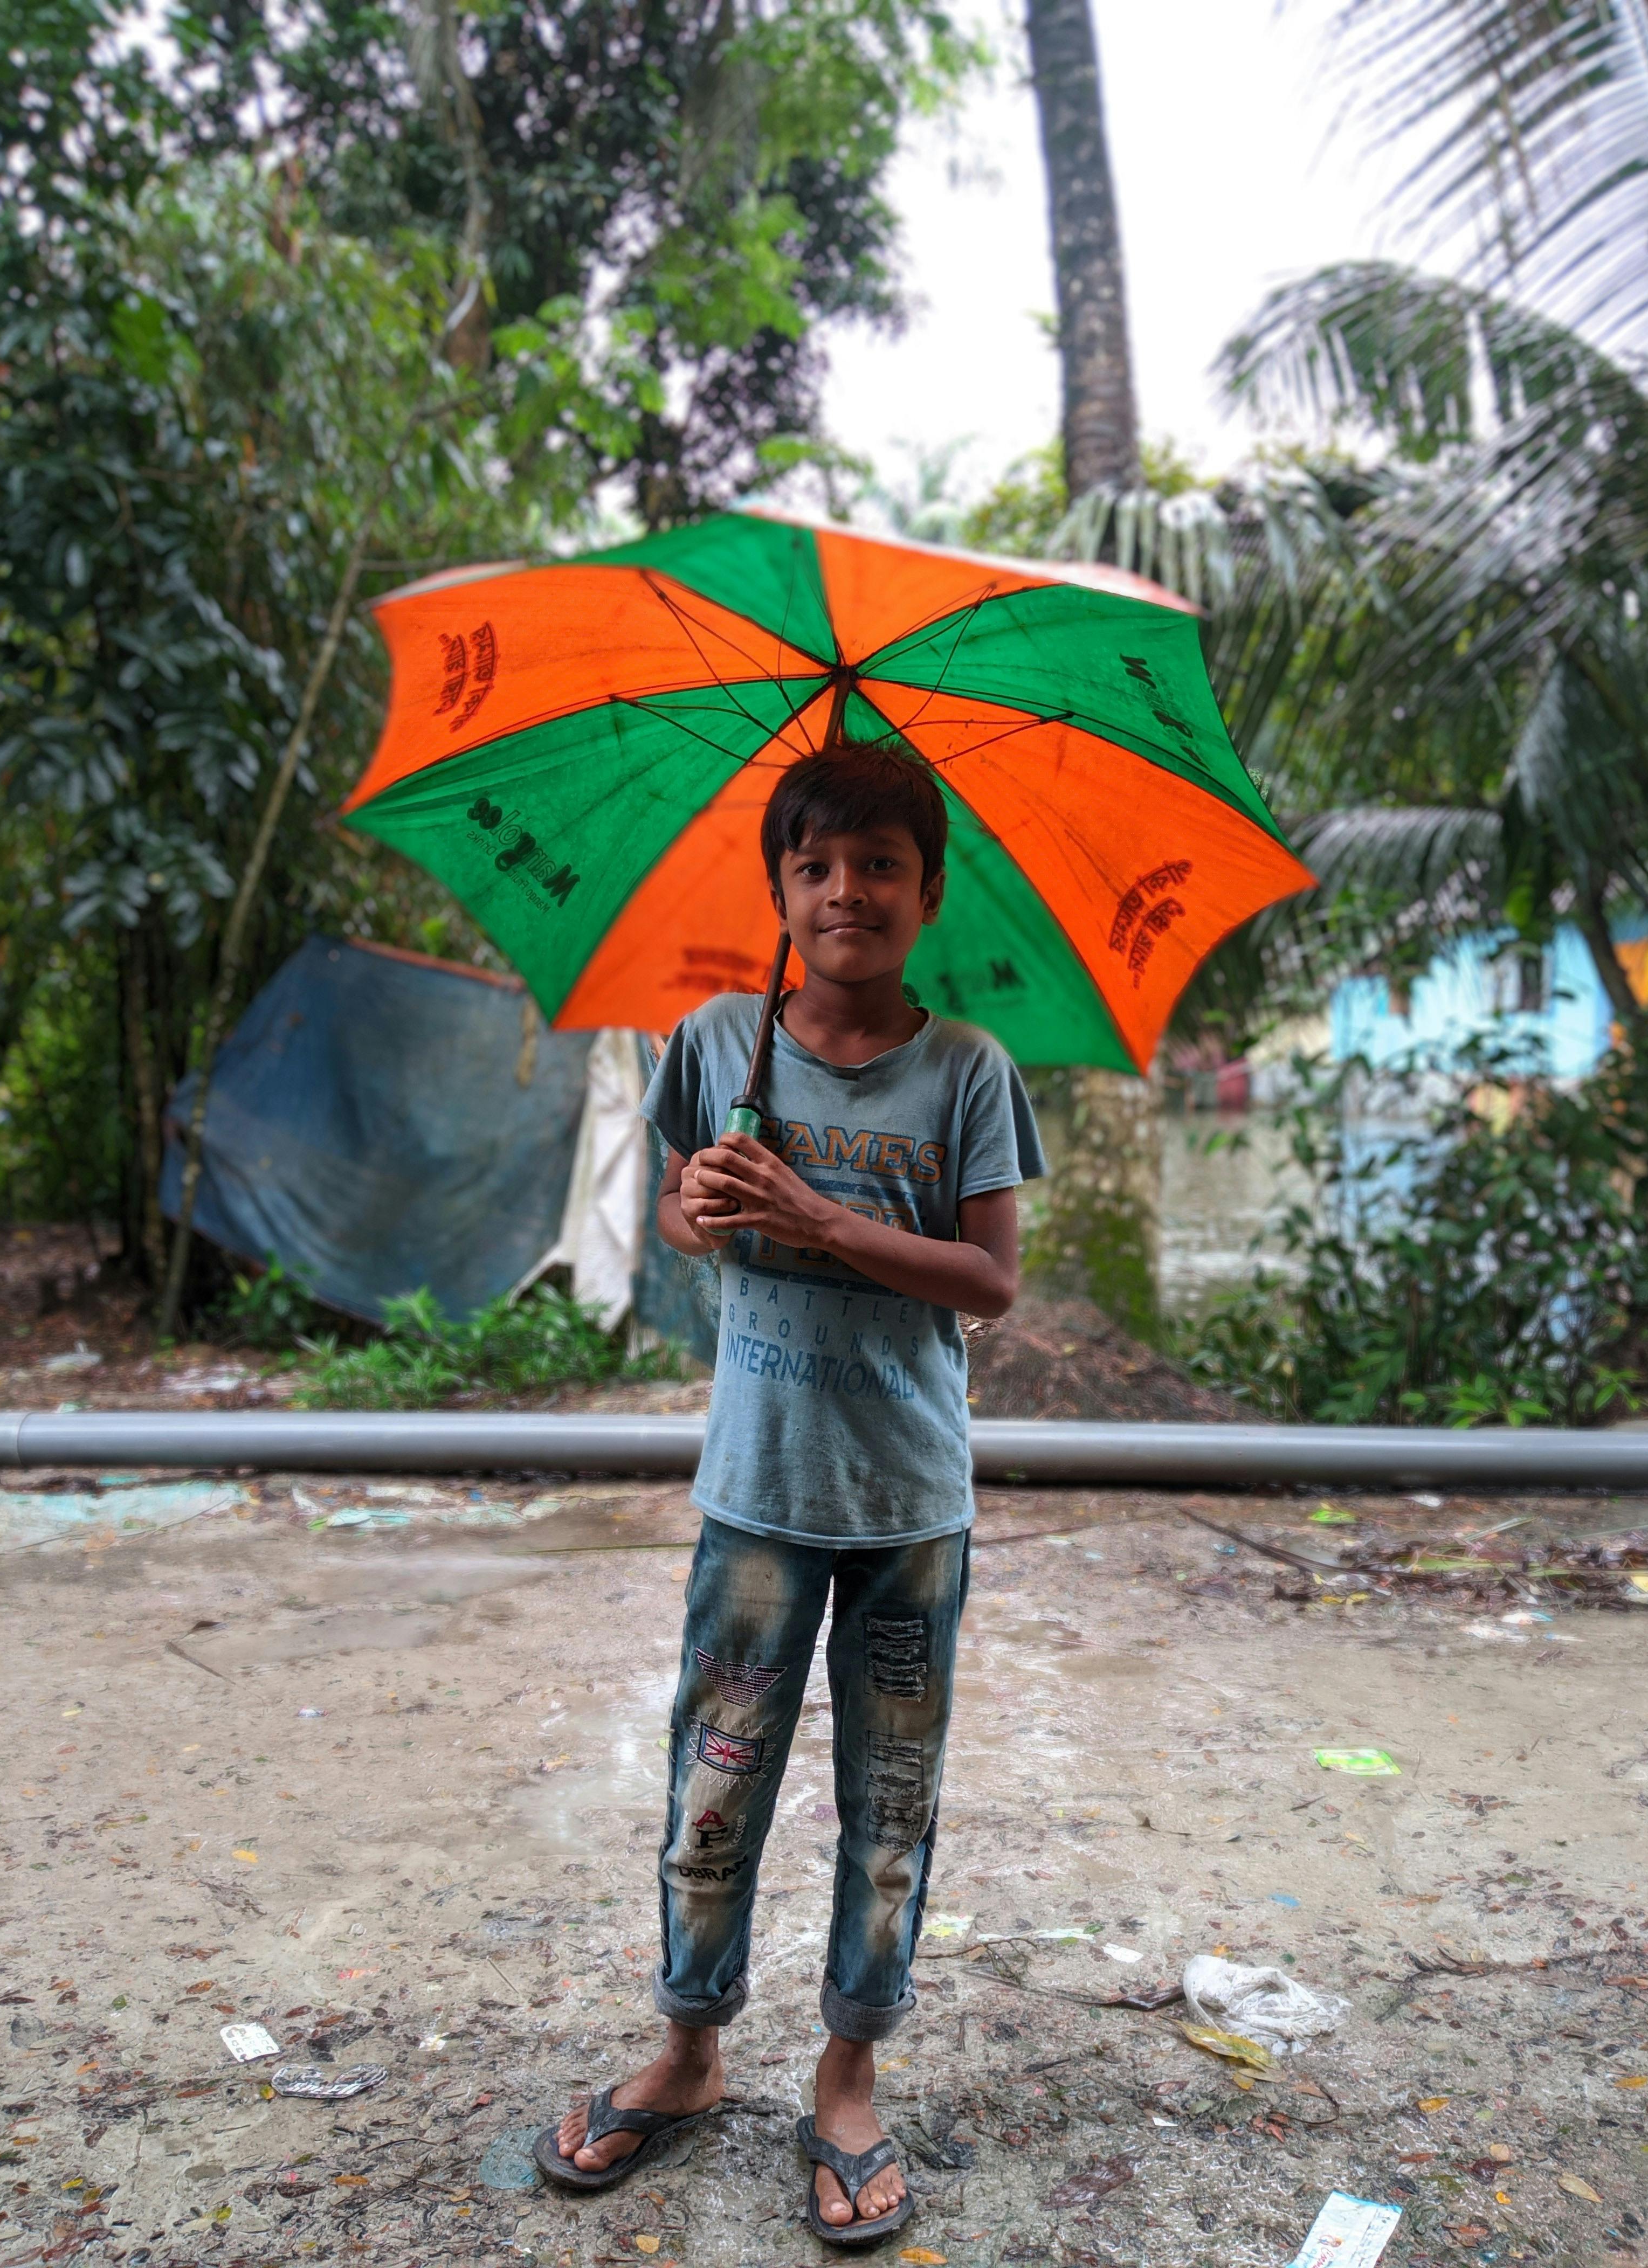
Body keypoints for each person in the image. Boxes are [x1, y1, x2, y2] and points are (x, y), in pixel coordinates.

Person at [535, 739, 1045, 2244]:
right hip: (758, 1491)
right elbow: (691, 1221)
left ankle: (845, 2076)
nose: (846, 891)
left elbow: (993, 1281)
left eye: (879, 864)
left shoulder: (967, 1072)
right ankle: (689, 2053)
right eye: (815, 867)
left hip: (907, 1505)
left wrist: (818, 1213)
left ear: (926, 893)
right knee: (713, 1792)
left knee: (890, 1809)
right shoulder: (714, 1042)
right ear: (779, 890)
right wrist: (708, 1207)